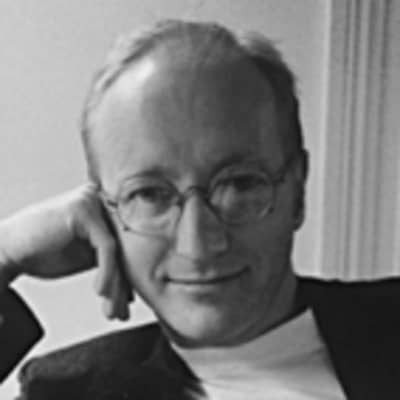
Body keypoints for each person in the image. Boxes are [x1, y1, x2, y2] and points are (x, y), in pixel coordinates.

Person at [3, 19, 400, 399]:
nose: (198, 245)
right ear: (106, 214)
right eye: (149, 194)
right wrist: (4, 251)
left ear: (298, 190)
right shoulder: (64, 390)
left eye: (240, 184)